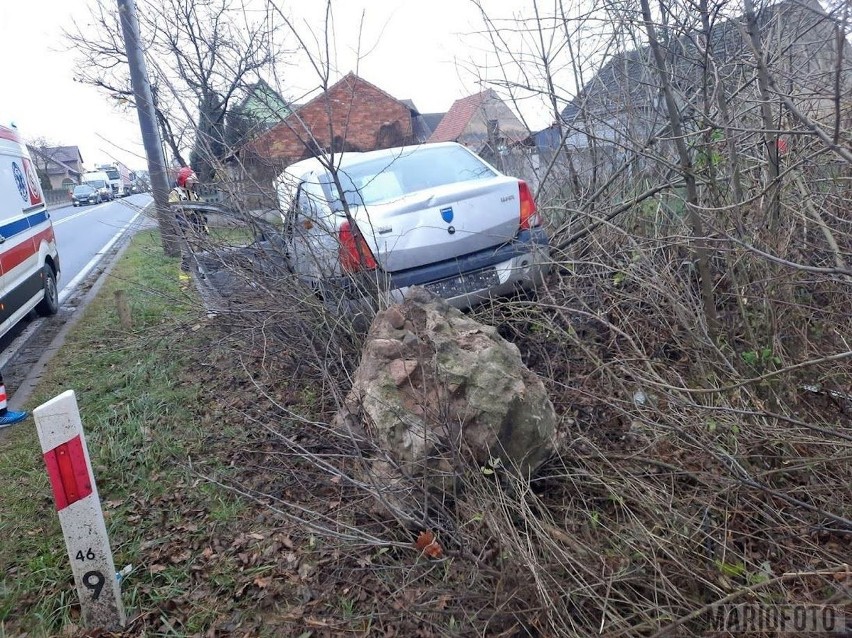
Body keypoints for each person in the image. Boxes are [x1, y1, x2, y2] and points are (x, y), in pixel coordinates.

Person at [169, 166, 208, 237]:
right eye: (190, 181)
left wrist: (204, 208)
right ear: (184, 180)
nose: (192, 183)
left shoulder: (193, 194)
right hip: (185, 227)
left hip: (198, 227)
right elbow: (173, 207)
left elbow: (202, 204)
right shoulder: (175, 193)